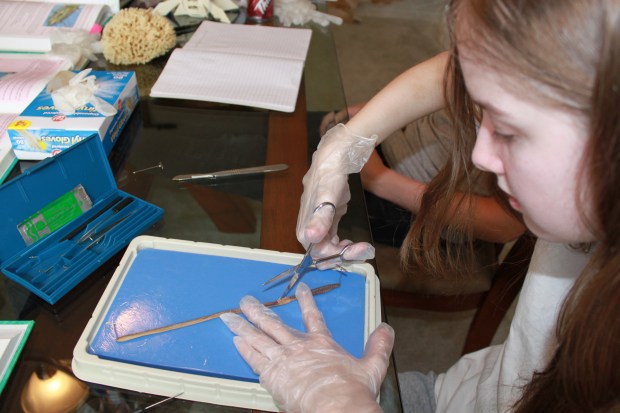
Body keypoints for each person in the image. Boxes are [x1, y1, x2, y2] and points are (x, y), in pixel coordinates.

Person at [220, 0, 620, 412]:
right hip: (452, 396)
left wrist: (339, 403)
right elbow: (454, 69)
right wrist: (341, 149)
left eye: (508, 130)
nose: (479, 155)